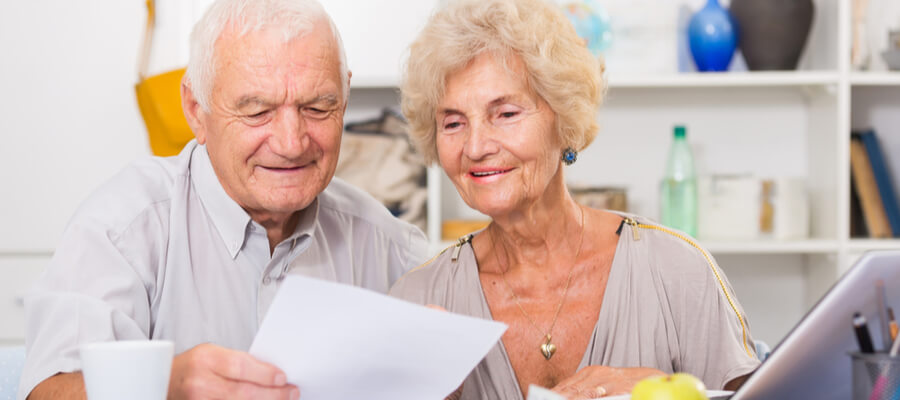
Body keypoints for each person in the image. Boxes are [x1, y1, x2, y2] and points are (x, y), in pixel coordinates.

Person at [19, 0, 427, 399]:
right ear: (196, 109)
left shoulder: (387, 243)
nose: (291, 143)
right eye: (257, 112)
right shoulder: (122, 229)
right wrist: (165, 386)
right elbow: (47, 391)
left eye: (318, 107)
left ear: (345, 96)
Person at [390, 0, 760, 399]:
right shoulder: (418, 300)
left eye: (506, 113)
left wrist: (665, 389)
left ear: (564, 119)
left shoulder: (677, 272)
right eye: (453, 122)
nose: (476, 146)